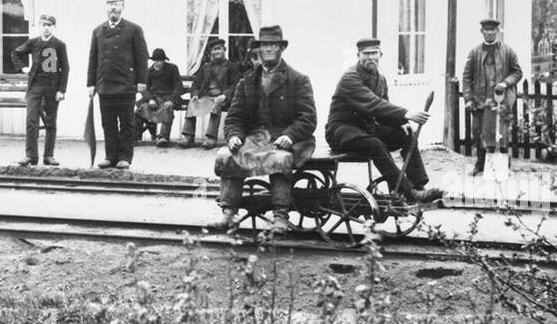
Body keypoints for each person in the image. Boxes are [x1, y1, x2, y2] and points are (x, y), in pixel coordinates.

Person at [210, 25, 317, 235]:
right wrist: (233, 136)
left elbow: (308, 118)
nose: (269, 49)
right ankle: (229, 214)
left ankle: (280, 216)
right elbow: (234, 117)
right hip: (257, 138)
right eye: (264, 45)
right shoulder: (247, 81)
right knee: (227, 154)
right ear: (258, 50)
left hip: (290, 138)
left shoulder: (298, 80)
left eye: (274, 45)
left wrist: (289, 135)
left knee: (279, 158)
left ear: (281, 49)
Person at [326, 38, 443, 207]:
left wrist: (400, 122)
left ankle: (418, 186)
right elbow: (373, 104)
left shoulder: (380, 79)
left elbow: (383, 112)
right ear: (358, 55)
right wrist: (406, 114)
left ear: (380, 55)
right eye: (366, 54)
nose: (371, 58)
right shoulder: (350, 78)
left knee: (407, 135)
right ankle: (407, 191)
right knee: (375, 144)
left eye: (374, 53)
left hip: (365, 130)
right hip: (342, 131)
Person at [86, 0, 148, 170]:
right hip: (104, 85)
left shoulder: (133, 29)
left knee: (127, 123)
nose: (113, 7)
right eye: (110, 3)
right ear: (106, 7)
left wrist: (141, 81)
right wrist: (91, 83)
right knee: (108, 124)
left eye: (117, 3)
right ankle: (110, 156)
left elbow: (141, 58)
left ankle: (125, 157)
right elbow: (93, 59)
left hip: (125, 85)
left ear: (123, 7)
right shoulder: (98, 31)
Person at [461, 17, 523, 175]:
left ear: (497, 31)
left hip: (500, 101)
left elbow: (517, 72)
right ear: (482, 32)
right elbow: (467, 77)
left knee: (501, 133)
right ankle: (480, 164)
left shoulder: (508, 51)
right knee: (479, 132)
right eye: (486, 30)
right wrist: (468, 99)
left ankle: (504, 167)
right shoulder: (474, 53)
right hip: (480, 101)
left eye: (492, 30)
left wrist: (505, 83)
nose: (489, 33)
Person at [12, 14, 69, 166]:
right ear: (39, 26)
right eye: (43, 25)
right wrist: (23, 68)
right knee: (31, 120)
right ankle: (31, 155)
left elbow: (65, 69)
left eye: (49, 25)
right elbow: (16, 53)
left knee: (50, 122)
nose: (46, 28)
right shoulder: (33, 42)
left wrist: (61, 90)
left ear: (53, 27)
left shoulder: (59, 45)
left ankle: (48, 155)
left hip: (52, 87)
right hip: (35, 87)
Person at [181, 38, 242, 149]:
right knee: (192, 103)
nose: (217, 52)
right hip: (206, 98)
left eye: (219, 49)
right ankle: (188, 136)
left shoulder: (232, 67)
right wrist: (194, 95)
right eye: (214, 49)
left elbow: (236, 85)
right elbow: (196, 84)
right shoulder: (206, 67)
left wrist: (225, 95)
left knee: (216, 105)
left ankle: (211, 138)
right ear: (211, 52)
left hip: (223, 99)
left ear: (224, 50)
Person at [138, 48, 183, 145]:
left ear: (164, 60)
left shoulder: (172, 69)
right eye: (155, 60)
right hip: (154, 98)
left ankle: (163, 137)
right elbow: (144, 88)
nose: (157, 63)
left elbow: (178, 86)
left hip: (169, 97)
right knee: (140, 109)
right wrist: (150, 99)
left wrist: (171, 100)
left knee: (168, 108)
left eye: (160, 60)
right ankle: (136, 137)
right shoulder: (149, 71)